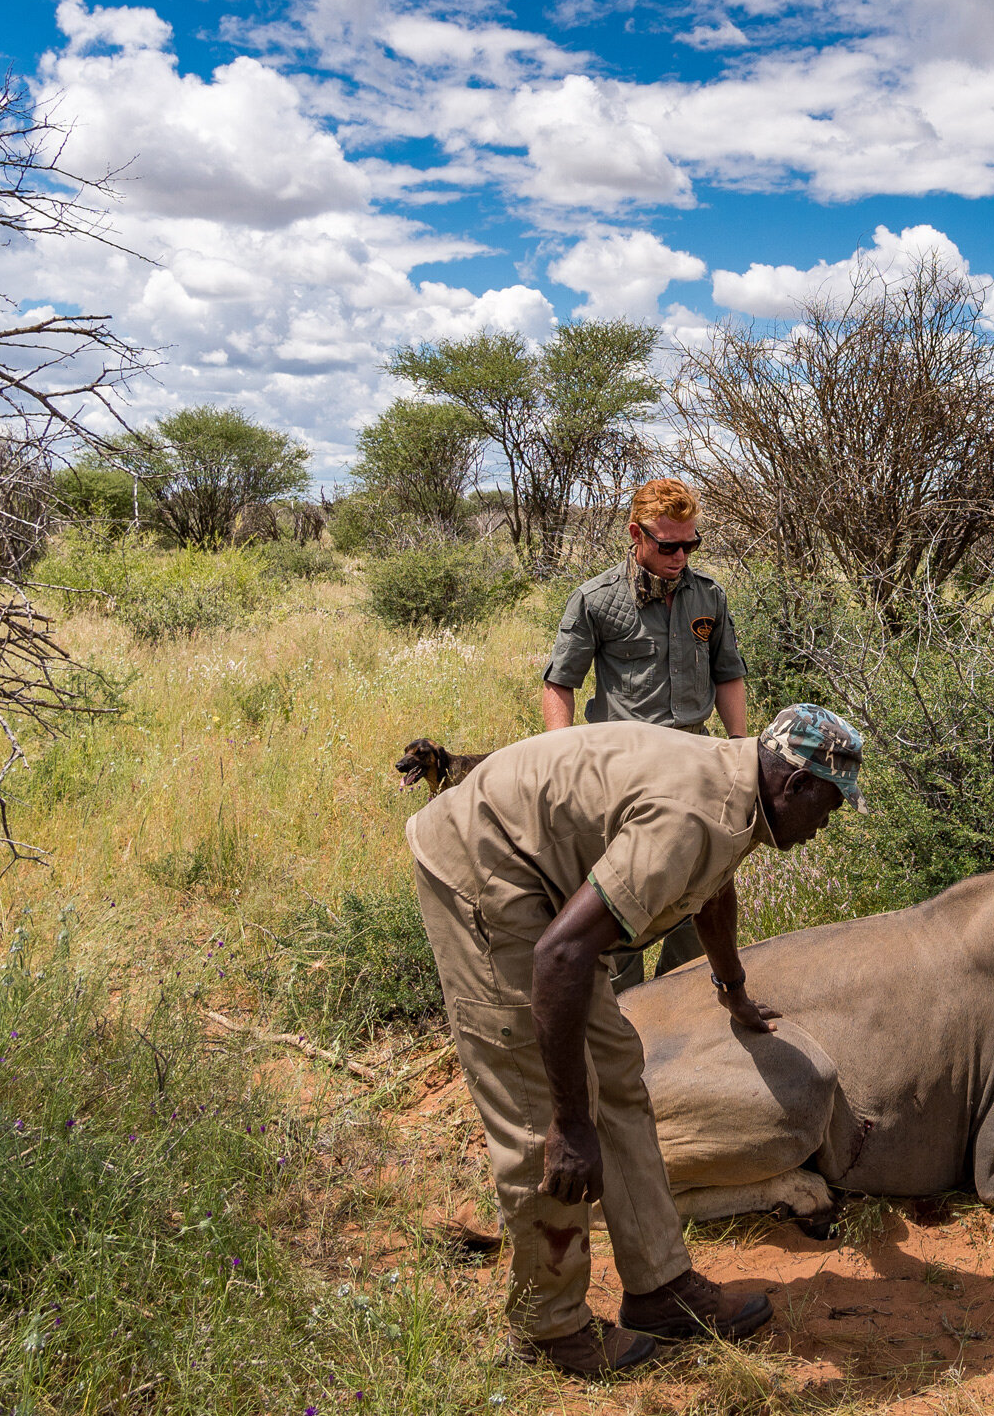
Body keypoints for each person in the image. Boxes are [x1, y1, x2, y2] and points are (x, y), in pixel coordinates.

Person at [406, 705, 866, 1377]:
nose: (827, 823)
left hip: (543, 881)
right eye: (827, 804)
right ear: (793, 787)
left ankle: (659, 1287)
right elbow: (559, 957)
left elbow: (711, 888)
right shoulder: (693, 817)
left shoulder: (737, 789)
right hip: (483, 868)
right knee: (540, 1114)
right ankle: (548, 1330)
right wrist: (569, 1122)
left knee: (618, 1076)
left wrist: (732, 987)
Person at [542, 478, 752, 990]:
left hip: (696, 767)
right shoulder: (595, 600)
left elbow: (728, 675)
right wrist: (558, 760)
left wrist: (741, 750)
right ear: (637, 535)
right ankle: (626, 1007)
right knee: (621, 896)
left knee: (703, 888)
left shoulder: (709, 596)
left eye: (691, 544)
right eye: (668, 545)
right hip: (622, 774)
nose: (681, 555)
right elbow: (559, 683)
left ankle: (681, 994)